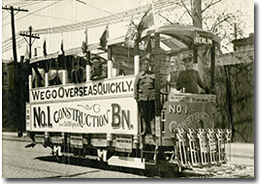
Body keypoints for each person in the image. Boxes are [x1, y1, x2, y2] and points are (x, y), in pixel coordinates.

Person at [134, 55, 155, 136]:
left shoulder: (153, 75)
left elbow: (156, 86)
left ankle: (152, 130)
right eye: (144, 64)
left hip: (151, 97)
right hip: (142, 98)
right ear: (142, 65)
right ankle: (144, 129)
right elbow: (135, 86)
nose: (146, 66)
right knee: (143, 114)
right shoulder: (139, 75)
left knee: (151, 114)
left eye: (147, 64)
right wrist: (136, 96)